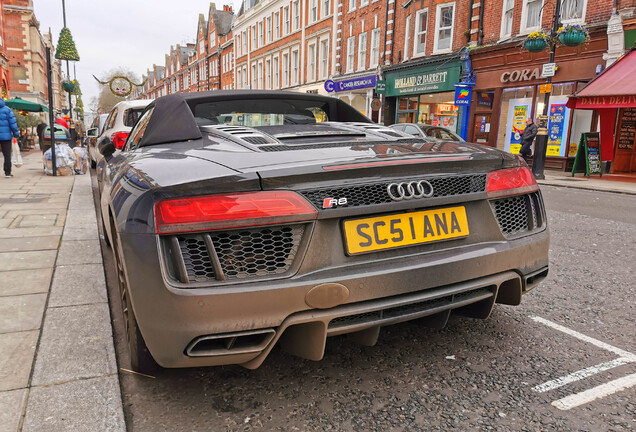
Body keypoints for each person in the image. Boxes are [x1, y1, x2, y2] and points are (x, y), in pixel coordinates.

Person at [0, 99, 20, 178]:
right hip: (6, 137)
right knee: (7, 155)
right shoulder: (7, 110)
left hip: (6, 136)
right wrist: (16, 134)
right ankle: (7, 172)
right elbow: (13, 123)